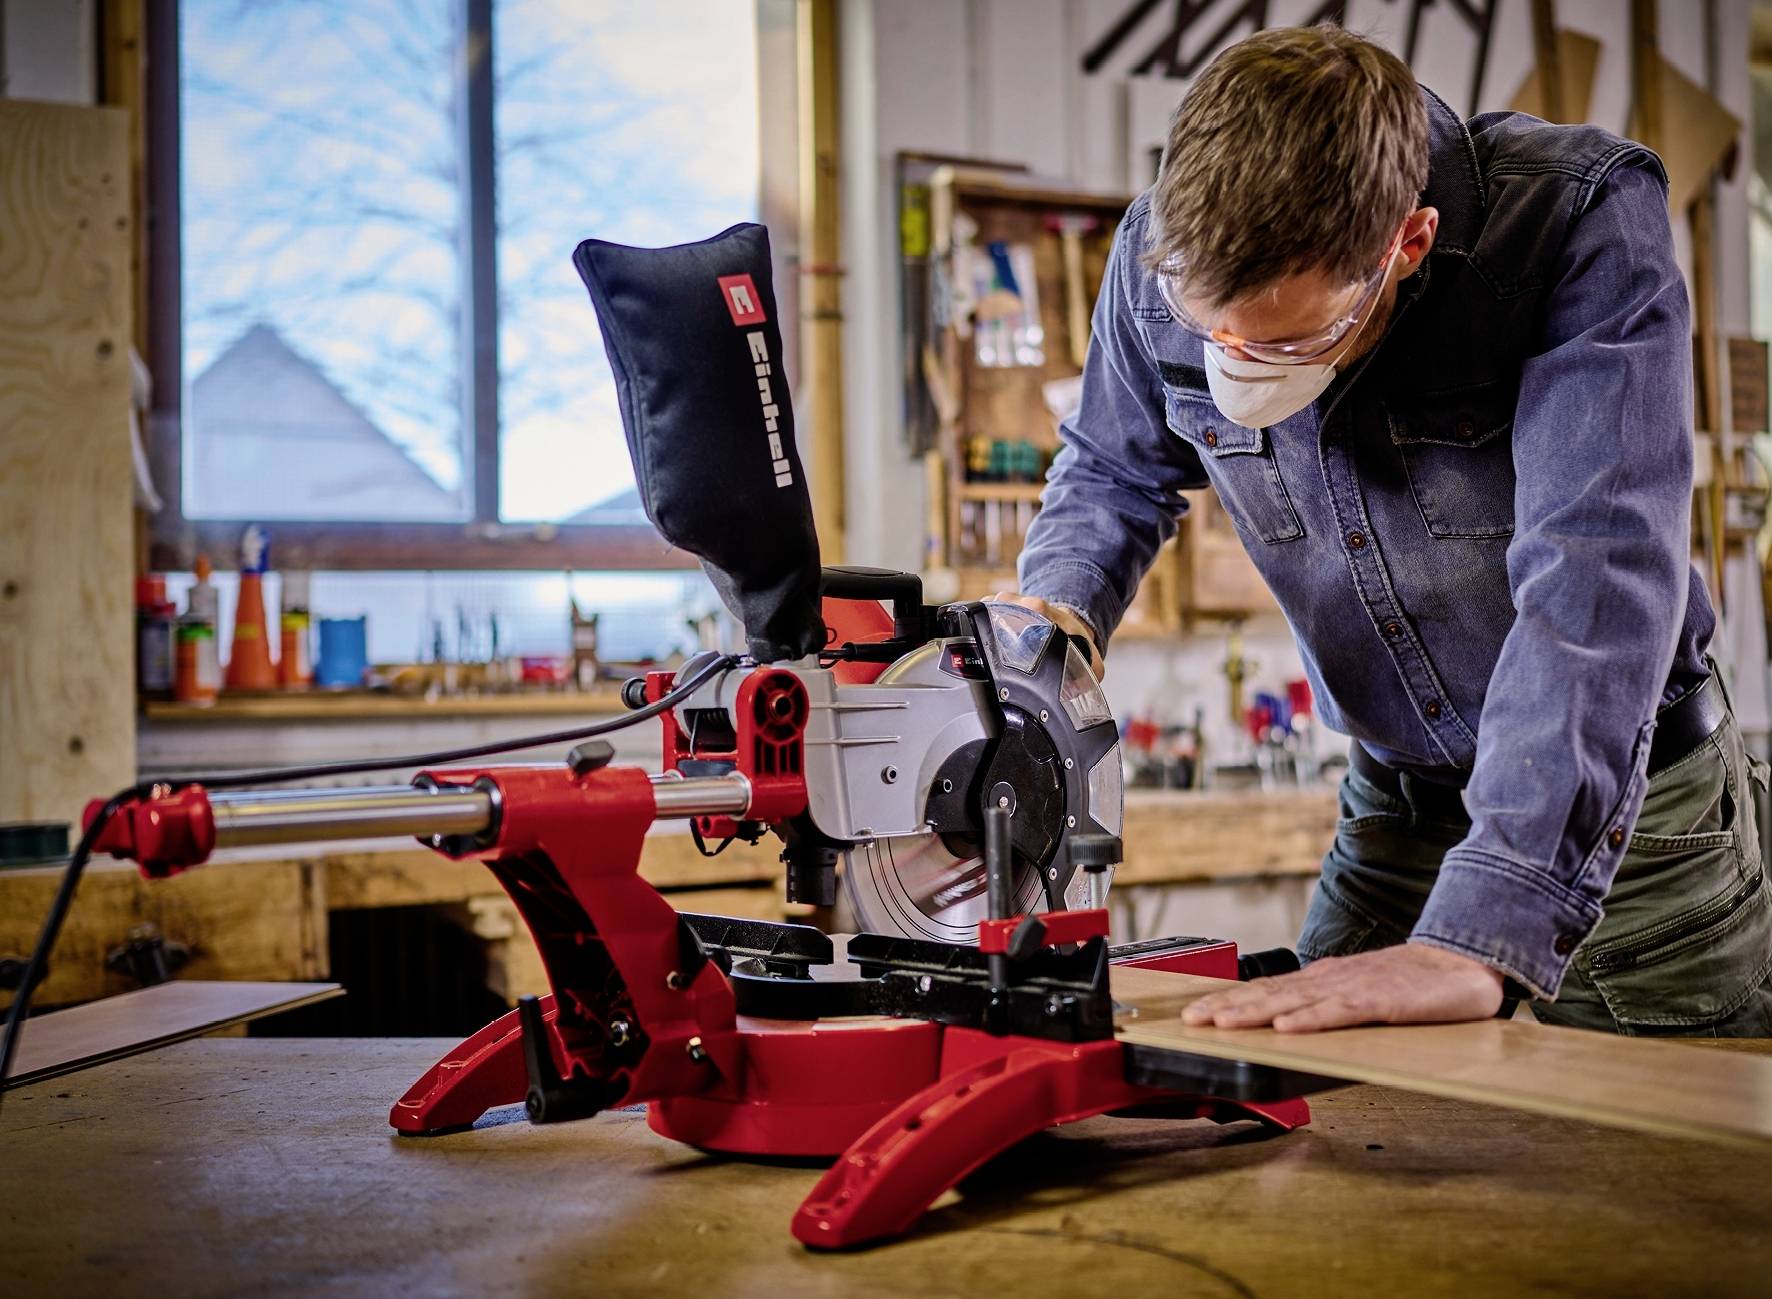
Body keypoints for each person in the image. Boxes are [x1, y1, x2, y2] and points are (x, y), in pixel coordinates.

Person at [1006, 24, 1772, 1035]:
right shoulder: (1153, 257)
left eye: (1284, 341)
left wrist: (1481, 929)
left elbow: (1592, 574)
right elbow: (1111, 469)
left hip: (1627, 817)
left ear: (1403, 244)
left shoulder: (1569, 223)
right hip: (1395, 801)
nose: (1236, 367)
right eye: (1213, 336)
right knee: (1309, 1115)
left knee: (1653, 1173)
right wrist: (1045, 628)